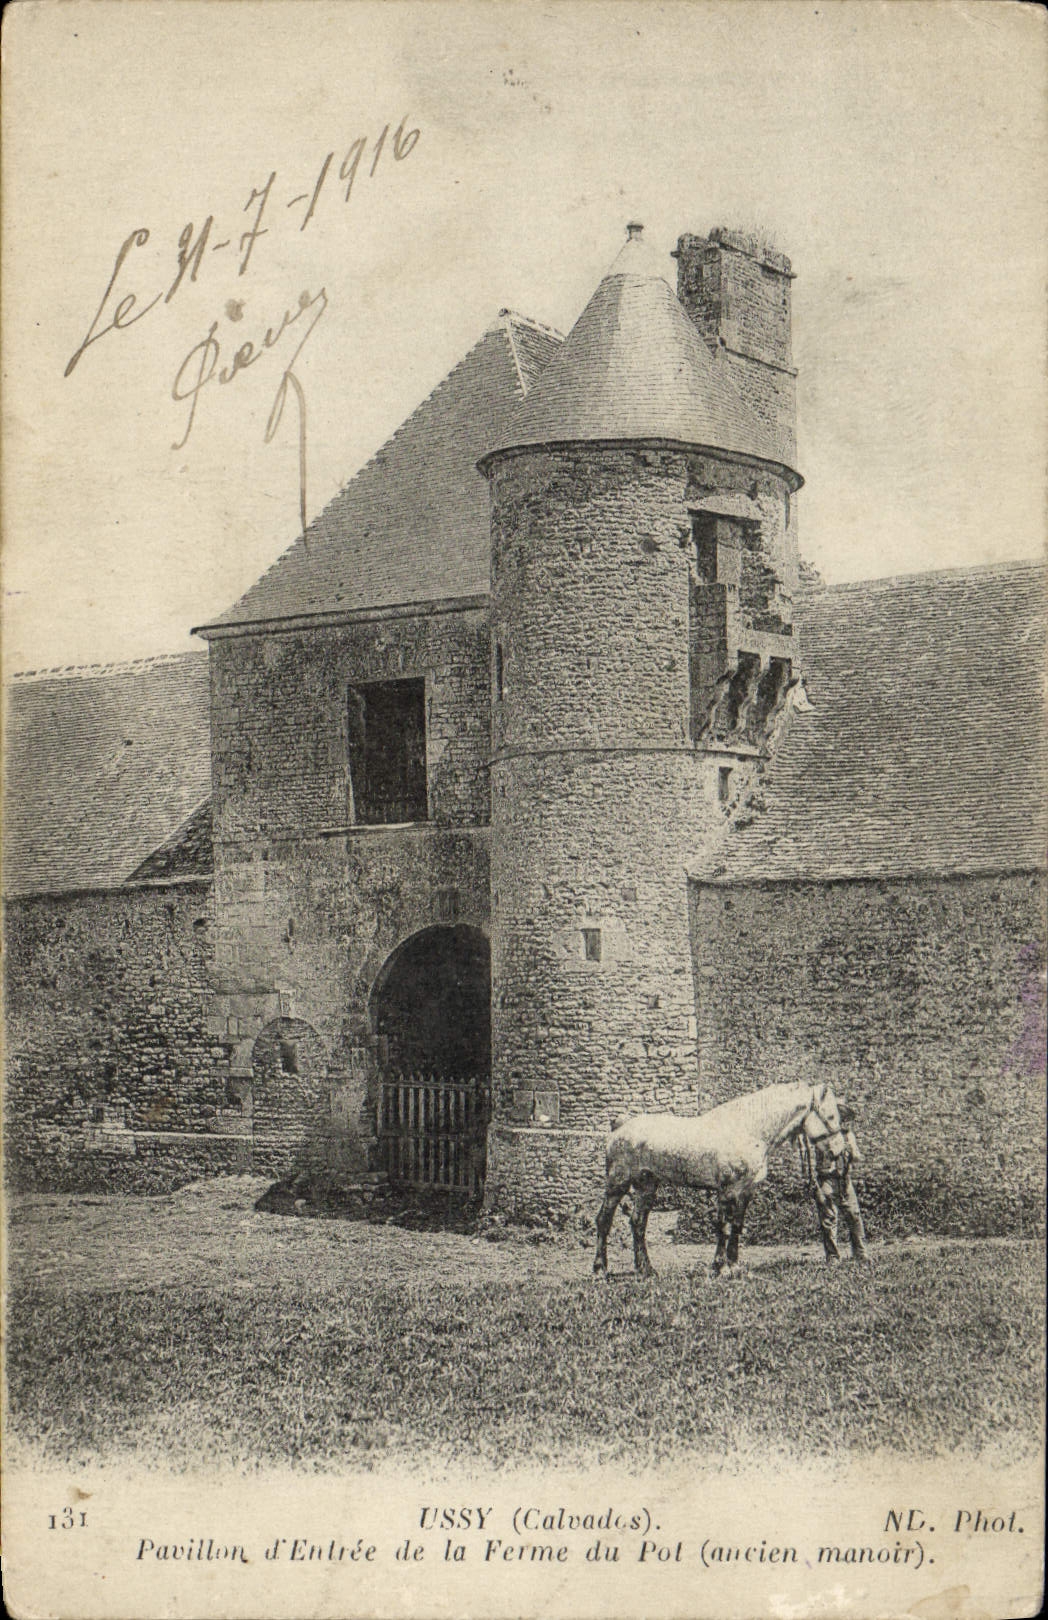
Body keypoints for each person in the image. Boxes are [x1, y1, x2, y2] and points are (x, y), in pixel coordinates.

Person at [811, 1103, 868, 1262]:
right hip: (827, 1179)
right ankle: (833, 1257)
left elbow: (857, 1156)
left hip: (844, 1179)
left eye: (842, 1118)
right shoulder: (821, 1135)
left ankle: (860, 1254)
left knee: (853, 1215)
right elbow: (825, 1155)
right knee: (829, 1218)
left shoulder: (848, 1135)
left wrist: (851, 1151)